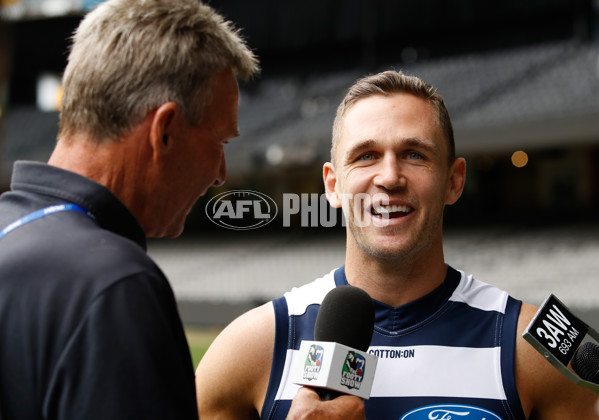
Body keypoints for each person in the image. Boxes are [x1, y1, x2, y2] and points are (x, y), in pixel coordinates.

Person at [195, 70, 599, 419]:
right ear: (333, 185)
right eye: (366, 155)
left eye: (414, 154)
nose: (389, 177)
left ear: (454, 181)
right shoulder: (252, 345)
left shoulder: (533, 346)